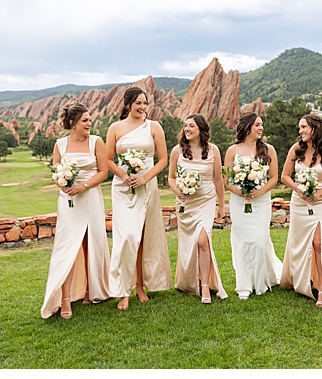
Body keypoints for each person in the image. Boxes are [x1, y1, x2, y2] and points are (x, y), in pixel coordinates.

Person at [39, 102, 111, 319]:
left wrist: (84, 186)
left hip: (90, 198)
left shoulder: (97, 142)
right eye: (85, 120)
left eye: (90, 120)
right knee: (68, 248)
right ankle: (65, 299)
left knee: (91, 244)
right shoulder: (60, 145)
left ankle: (91, 290)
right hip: (69, 202)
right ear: (73, 123)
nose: (90, 123)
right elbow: (56, 172)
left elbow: (104, 172)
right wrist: (65, 185)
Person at [102, 87, 171, 310]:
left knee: (141, 238)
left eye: (145, 103)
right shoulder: (115, 128)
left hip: (146, 187)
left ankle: (140, 286)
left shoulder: (154, 127)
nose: (142, 107)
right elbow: (109, 160)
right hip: (122, 189)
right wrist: (124, 175)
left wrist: (144, 179)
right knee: (125, 237)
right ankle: (123, 291)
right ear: (128, 104)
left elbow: (163, 160)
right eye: (138, 103)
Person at [279, 114, 322, 308]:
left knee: (318, 242)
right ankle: (303, 280)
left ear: (314, 128)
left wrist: (319, 193)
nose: (300, 131)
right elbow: (285, 176)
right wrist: (298, 189)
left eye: (303, 127)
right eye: (299, 128)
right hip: (299, 202)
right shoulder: (296, 149)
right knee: (300, 244)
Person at [168, 114, 228, 304]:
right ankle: (188, 280)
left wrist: (221, 204)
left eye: (191, 126)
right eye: (185, 126)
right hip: (187, 204)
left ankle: (204, 287)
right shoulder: (177, 151)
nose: (187, 129)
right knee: (189, 244)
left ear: (201, 129)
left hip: (206, 201)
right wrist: (178, 191)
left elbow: (218, 179)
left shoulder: (213, 150)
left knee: (203, 241)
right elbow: (171, 177)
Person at [223, 112, 283, 299]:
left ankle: (260, 283)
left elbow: (274, 178)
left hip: (261, 202)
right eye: (257, 124)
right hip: (239, 202)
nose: (260, 128)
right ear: (247, 126)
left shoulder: (268, 150)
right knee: (242, 243)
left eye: (261, 125)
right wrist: (239, 191)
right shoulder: (232, 151)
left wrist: (259, 191)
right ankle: (245, 285)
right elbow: (226, 179)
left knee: (258, 241)